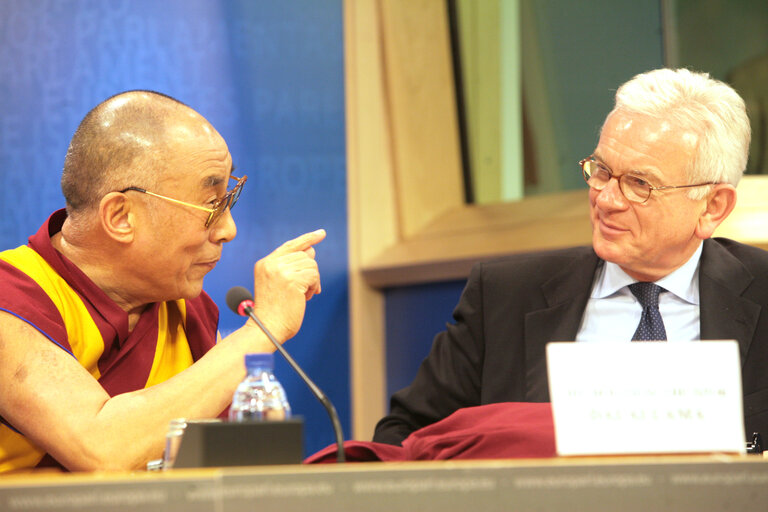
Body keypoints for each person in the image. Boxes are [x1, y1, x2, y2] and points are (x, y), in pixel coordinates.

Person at [374, 68, 768, 446]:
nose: (607, 200)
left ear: (713, 206)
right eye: (601, 171)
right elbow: (403, 438)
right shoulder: (504, 298)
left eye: (639, 184)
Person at [0, 91, 325, 472]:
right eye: (211, 205)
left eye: (229, 200)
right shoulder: (13, 297)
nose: (228, 230)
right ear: (121, 216)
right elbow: (101, 449)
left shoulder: (186, 312)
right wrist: (262, 330)